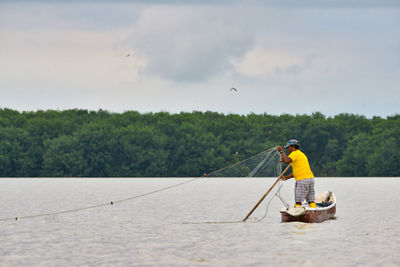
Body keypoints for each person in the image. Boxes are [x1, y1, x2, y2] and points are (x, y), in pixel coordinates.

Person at [276, 140, 316, 209]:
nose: (288, 149)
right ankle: (314, 210)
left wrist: (281, 152)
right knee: (310, 201)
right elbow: (297, 172)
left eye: (288, 148)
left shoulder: (294, 153)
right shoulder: (301, 154)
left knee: (298, 201)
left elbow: (286, 160)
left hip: (302, 180)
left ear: (293, 147)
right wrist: (286, 177)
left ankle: (297, 212)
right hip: (310, 179)